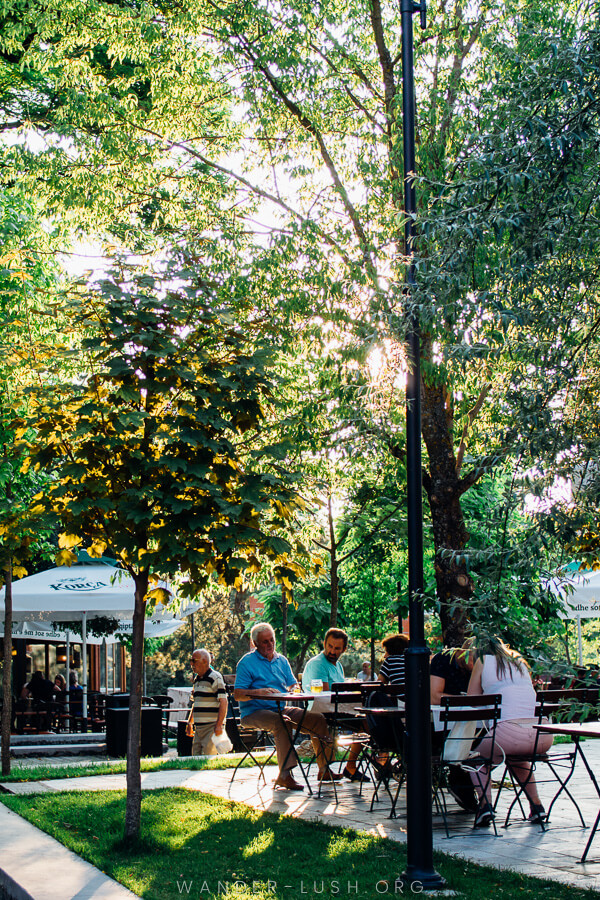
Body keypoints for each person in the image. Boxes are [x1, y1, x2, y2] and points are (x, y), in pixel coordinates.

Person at [235, 622, 341, 790]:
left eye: (272, 640)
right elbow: (238, 694)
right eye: (265, 642)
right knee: (281, 721)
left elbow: (293, 684)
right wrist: (260, 691)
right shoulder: (246, 663)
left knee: (318, 719)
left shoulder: (281, 660)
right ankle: (285, 775)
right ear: (255, 643)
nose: (270, 645)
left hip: (280, 708)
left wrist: (296, 689)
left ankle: (324, 769)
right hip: (254, 712)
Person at [467, 636, 552, 828]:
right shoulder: (519, 661)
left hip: (509, 733)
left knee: (476, 760)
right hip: (542, 733)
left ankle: (485, 806)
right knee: (516, 759)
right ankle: (537, 807)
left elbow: (472, 700)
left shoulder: (482, 661)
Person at [302, 628, 369, 783]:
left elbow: (339, 691)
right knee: (367, 722)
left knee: (370, 719)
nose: (332, 651)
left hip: (337, 707)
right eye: (330, 646)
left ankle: (353, 765)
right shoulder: (318, 664)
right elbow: (325, 694)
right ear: (324, 643)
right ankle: (352, 766)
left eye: (337, 648)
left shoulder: (338, 666)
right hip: (322, 710)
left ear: (344, 649)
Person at [429, 643, 478, 814]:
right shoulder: (443, 659)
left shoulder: (477, 667)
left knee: (485, 743)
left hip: (469, 729)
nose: (477, 666)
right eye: (475, 660)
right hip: (438, 729)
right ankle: (460, 781)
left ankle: (461, 780)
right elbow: (435, 697)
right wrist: (466, 701)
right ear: (464, 652)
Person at [185, 648, 228, 756]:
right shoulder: (197, 680)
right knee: (195, 757)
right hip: (199, 728)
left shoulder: (215, 677)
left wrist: (219, 725)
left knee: (208, 758)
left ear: (204, 661)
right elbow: (197, 703)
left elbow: (223, 702)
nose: (191, 664)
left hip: (211, 727)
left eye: (194, 660)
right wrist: (190, 722)